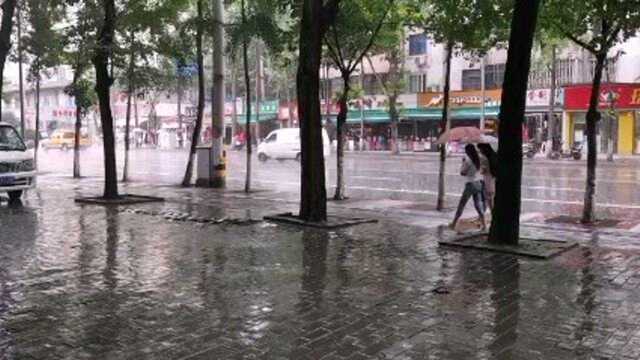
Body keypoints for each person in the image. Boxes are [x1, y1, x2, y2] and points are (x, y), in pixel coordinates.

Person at [449, 144, 486, 231]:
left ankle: (454, 224)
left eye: (466, 151)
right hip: (478, 183)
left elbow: (463, 173)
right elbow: (482, 170)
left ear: (468, 151)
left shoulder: (468, 161)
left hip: (470, 185)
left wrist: (463, 163)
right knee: (478, 205)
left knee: (461, 205)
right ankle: (484, 225)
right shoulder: (478, 159)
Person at [477, 143, 497, 212]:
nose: (480, 150)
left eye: (480, 149)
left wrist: (480, 169)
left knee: (489, 198)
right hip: (494, 178)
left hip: (488, 179)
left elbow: (483, 170)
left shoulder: (484, 158)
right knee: (492, 197)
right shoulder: (494, 155)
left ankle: (493, 213)